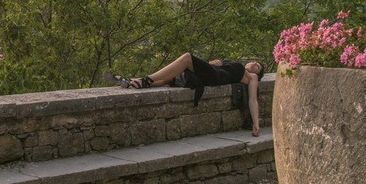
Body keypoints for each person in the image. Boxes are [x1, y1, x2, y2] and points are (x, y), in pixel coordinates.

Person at [106, 53, 265, 136]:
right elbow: (209, 66)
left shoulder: (252, 77)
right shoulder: (231, 63)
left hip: (216, 78)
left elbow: (253, 100)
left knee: (187, 57)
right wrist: (213, 63)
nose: (257, 64)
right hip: (212, 73)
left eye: (259, 67)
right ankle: (133, 81)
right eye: (257, 62)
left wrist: (256, 123)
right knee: (172, 77)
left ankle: (144, 80)